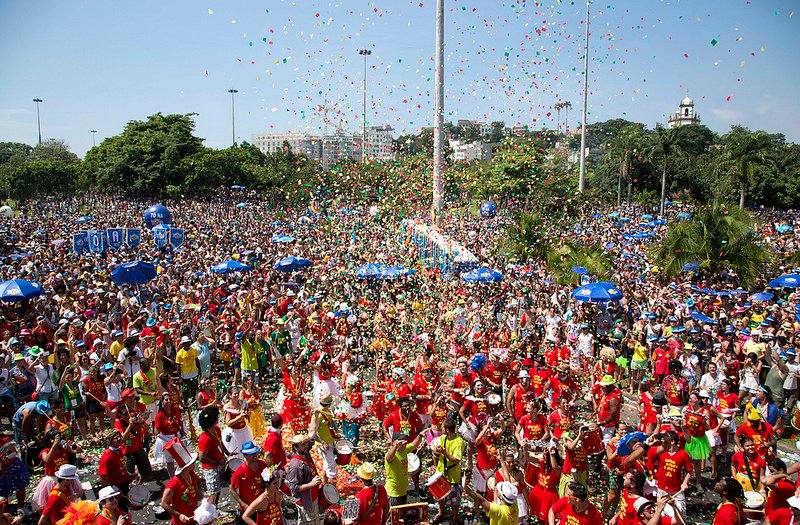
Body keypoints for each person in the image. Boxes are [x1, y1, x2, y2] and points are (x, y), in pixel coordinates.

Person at [647, 431, 691, 515]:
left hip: (676, 489)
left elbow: (689, 470)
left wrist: (685, 483)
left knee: (680, 514)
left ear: (672, 442)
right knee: (661, 513)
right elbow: (650, 461)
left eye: (664, 440)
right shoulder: (660, 452)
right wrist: (654, 477)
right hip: (661, 488)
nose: (662, 442)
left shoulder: (683, 454)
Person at [431, 418, 465, 525]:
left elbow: (456, 460)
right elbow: (437, 452)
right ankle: (440, 513)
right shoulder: (443, 437)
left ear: (447, 429)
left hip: (453, 474)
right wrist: (436, 452)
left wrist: (444, 452)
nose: (440, 429)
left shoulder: (459, 442)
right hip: (441, 472)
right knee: (441, 496)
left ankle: (455, 518)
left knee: (454, 498)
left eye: (442, 427)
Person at [161, 440, 203, 525]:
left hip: (193, 517)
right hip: (180, 522)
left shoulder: (192, 475)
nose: (194, 464)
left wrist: (203, 498)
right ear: (186, 467)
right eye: (192, 463)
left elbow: (196, 491)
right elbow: (164, 503)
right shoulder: (173, 484)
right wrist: (179, 515)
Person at [286, 434, 322, 525]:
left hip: (313, 497)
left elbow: (312, 435)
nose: (306, 446)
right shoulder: (296, 466)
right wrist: (312, 484)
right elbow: (294, 488)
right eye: (303, 444)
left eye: (306, 443)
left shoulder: (305, 453)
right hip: (306, 501)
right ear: (295, 447)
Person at [197, 406, 227, 506]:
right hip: (210, 468)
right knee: (213, 492)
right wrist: (216, 462)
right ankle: (212, 512)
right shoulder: (204, 439)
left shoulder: (217, 429)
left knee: (218, 490)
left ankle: (215, 509)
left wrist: (227, 453)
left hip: (219, 464)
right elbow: (202, 457)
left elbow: (220, 442)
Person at [230, 441, 270, 514]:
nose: (255, 456)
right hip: (248, 507)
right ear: (245, 456)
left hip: (262, 504)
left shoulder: (263, 465)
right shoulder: (239, 472)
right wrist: (243, 504)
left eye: (255, 453)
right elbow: (232, 490)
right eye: (251, 454)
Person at [385, 431, 423, 506]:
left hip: (403, 491)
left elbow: (414, 444)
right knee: (394, 512)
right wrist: (395, 447)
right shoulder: (392, 454)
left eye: (405, 440)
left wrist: (420, 435)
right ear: (394, 442)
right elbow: (388, 458)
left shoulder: (404, 449)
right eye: (401, 441)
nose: (404, 442)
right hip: (393, 492)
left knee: (402, 512)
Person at [153, 391, 184, 477]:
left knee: (182, 457)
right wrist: (169, 440)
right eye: (166, 400)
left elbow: (180, 421)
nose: (169, 401)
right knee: (170, 461)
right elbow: (157, 433)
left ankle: (184, 476)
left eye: (170, 399)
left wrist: (183, 432)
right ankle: (173, 478)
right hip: (165, 439)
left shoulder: (176, 410)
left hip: (177, 437)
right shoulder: (159, 416)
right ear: (162, 402)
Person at [309, 392, 337, 483]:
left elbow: (331, 422)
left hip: (330, 441)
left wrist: (337, 431)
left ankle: (325, 484)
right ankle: (332, 488)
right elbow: (312, 434)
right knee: (331, 466)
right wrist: (322, 442)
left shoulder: (327, 410)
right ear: (329, 404)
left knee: (326, 464)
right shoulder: (317, 415)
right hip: (324, 444)